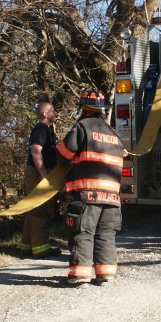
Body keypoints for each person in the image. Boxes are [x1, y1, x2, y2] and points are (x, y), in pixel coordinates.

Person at [57, 89, 126, 287]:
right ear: (102, 110)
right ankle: (105, 275)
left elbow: (64, 155)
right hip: (112, 197)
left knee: (83, 232)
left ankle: (80, 276)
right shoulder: (113, 133)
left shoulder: (82, 127)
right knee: (106, 234)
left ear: (83, 109)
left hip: (88, 193)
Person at [21, 101, 62, 258]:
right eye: (52, 110)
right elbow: (36, 150)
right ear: (45, 114)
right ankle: (41, 249)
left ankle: (27, 246)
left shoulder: (45, 130)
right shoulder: (41, 129)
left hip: (37, 172)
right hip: (38, 174)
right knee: (40, 209)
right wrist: (44, 173)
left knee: (31, 208)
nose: (55, 112)